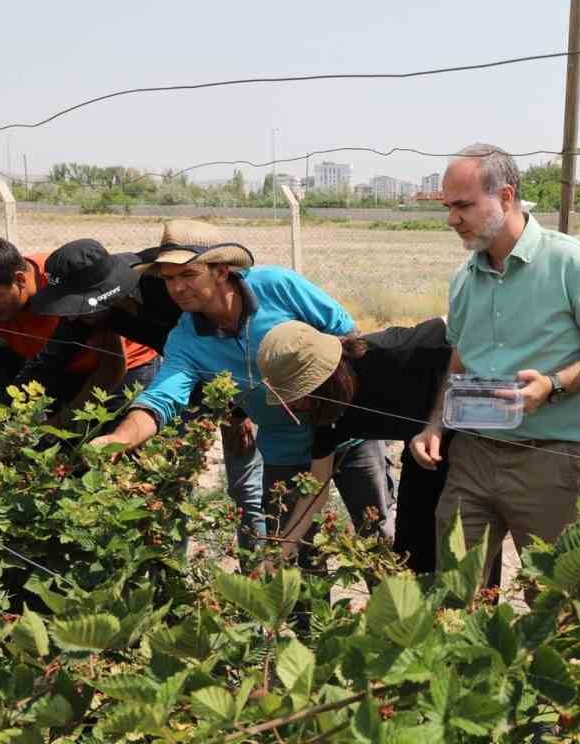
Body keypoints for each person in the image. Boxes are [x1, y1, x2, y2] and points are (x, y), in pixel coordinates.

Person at [410, 143, 580, 571]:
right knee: (455, 590)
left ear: (505, 197)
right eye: (448, 207)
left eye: (463, 205)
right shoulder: (465, 278)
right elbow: (461, 358)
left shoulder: (572, 263)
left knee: (556, 593)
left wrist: (552, 386)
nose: (452, 219)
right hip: (472, 456)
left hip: (548, 461)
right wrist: (436, 423)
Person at [88, 223, 386, 548]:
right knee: (293, 554)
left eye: (188, 274)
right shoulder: (185, 339)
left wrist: (339, 405)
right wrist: (119, 439)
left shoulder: (278, 286)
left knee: (378, 537)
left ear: (220, 271)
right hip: (284, 450)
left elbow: (349, 337)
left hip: (349, 434)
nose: (177, 288)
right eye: (169, 279)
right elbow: (161, 398)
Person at [257, 318, 497, 581]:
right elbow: (317, 487)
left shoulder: (391, 352)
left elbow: (460, 333)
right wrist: (280, 552)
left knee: (468, 553)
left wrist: (441, 420)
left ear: (325, 377)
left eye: (299, 394)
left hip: (473, 438)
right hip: (422, 450)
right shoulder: (325, 409)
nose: (296, 406)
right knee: (413, 559)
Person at [0, 236, 153, 453]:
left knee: (93, 447)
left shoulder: (70, 286)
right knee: (32, 443)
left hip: (128, 365)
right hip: (60, 367)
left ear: (20, 279)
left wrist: (62, 421)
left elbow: (111, 367)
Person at [21, 238, 177, 403]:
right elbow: (49, 360)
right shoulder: (84, 314)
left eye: (76, 305)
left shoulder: (166, 282)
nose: (72, 316)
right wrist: (9, 407)